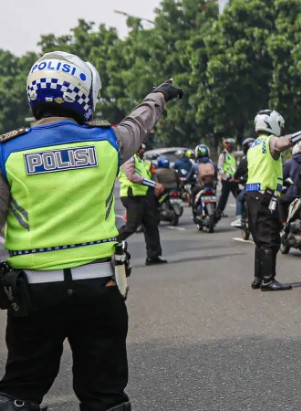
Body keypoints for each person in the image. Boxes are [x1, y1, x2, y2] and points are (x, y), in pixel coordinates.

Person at [0, 50, 182, 411]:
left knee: (19, 392)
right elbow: (139, 122)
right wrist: (158, 95)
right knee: (105, 396)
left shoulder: (7, 151)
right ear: (84, 94)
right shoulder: (108, 142)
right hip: (99, 288)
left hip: (33, 295)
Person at [245, 109, 301, 291]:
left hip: (252, 195)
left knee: (260, 239)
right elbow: (285, 141)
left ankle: (258, 278)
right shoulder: (270, 142)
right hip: (265, 196)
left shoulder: (253, 145)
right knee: (270, 238)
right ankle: (268, 280)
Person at [117, 144, 168, 266]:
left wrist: (154, 186)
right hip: (132, 195)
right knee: (131, 226)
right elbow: (131, 176)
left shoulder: (143, 161)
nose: (142, 149)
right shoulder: (128, 158)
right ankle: (109, 246)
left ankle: (153, 256)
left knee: (151, 225)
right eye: (139, 147)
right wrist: (153, 184)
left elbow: (151, 174)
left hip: (144, 196)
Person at [187, 144, 218, 218]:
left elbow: (188, 177)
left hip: (200, 186)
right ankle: (215, 210)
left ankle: (194, 212)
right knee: (214, 196)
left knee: (193, 193)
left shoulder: (195, 165)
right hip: (211, 186)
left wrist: (187, 180)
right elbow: (215, 176)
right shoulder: (212, 164)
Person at [231, 138, 254, 228]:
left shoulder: (245, 159)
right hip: (264, 184)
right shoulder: (261, 156)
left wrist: (235, 178)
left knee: (239, 199)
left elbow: (239, 172)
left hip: (250, 185)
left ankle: (239, 218)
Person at [217, 137, 239, 217]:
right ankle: (219, 211)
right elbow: (219, 167)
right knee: (224, 196)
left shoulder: (233, 154)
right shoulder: (223, 154)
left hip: (233, 178)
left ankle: (243, 210)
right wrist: (224, 176)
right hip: (226, 179)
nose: (230, 148)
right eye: (229, 146)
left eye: (231, 146)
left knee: (238, 195)